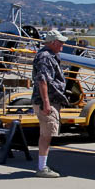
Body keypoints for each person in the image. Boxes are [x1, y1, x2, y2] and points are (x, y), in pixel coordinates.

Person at [32, 30, 70, 178]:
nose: (62, 45)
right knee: (46, 134)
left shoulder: (50, 56)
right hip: (47, 101)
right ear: (53, 42)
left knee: (46, 134)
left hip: (49, 100)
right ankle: (42, 167)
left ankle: (43, 164)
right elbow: (43, 81)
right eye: (60, 42)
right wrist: (46, 102)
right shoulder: (46, 57)